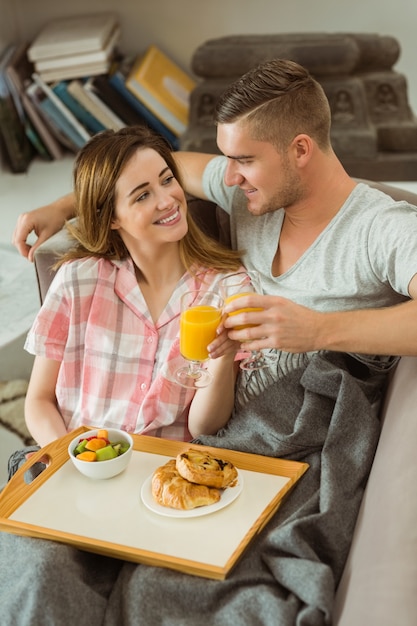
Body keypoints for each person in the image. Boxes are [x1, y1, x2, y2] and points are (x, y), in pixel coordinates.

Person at [3, 58, 417, 625]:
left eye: (244, 161)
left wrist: (317, 329)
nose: (229, 176)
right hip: (212, 439)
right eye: (228, 160)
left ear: (300, 149)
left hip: (277, 428)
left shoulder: (382, 229)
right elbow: (147, 170)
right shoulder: (251, 196)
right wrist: (63, 205)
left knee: (161, 589)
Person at [15, 124, 243, 457]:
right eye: (142, 195)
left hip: (164, 478)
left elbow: (205, 428)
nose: (168, 200)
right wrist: (70, 462)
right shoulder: (78, 280)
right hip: (77, 463)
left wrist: (224, 355)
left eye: (167, 180)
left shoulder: (227, 288)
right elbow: (38, 401)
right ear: (111, 219)